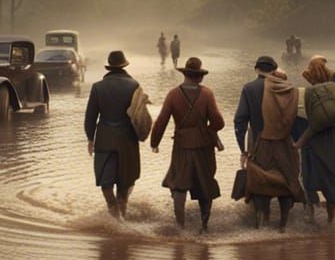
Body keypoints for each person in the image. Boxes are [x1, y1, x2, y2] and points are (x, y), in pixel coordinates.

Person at [150, 56, 225, 231]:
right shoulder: (207, 94)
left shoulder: (173, 94)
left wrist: (155, 142)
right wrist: (209, 130)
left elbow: (161, 121)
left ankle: (180, 227)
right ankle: (204, 226)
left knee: (178, 185)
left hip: (181, 146)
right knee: (205, 184)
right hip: (203, 146)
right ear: (199, 76)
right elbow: (219, 122)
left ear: (185, 75)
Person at [234, 55, 304, 230]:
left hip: (260, 144)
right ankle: (283, 225)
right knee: (287, 181)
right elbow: (296, 119)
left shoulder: (249, 89)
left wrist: (243, 149)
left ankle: (262, 225)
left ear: (257, 69)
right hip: (286, 144)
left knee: (260, 182)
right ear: (274, 69)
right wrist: (297, 143)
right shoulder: (289, 88)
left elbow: (240, 121)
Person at [84, 51, 143, 219]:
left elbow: (90, 116)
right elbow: (140, 117)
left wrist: (90, 138)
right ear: (124, 66)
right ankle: (122, 217)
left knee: (106, 180)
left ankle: (113, 212)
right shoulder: (134, 85)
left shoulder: (98, 87)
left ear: (109, 66)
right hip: (127, 140)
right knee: (125, 181)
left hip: (105, 139)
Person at [294, 56, 335, 223]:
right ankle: (331, 221)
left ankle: (312, 217)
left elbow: (310, 118)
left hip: (314, 141)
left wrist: (298, 142)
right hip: (333, 139)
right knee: (332, 178)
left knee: (310, 179)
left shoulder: (308, 93)